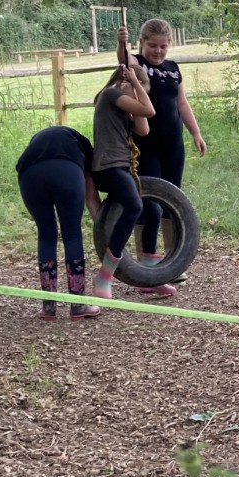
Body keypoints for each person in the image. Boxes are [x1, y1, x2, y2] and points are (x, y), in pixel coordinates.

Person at [120, 19, 207, 295]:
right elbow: (124, 60)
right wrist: (119, 42)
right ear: (141, 44)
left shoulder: (173, 69)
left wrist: (196, 133)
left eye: (163, 46)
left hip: (173, 145)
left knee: (174, 202)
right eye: (152, 46)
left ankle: (173, 263)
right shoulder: (137, 66)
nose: (158, 51)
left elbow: (181, 103)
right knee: (150, 204)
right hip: (146, 145)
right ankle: (145, 266)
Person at [15, 126, 103, 320]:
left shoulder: (37, 141)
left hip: (29, 174)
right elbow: (91, 199)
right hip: (67, 172)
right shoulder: (84, 147)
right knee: (72, 234)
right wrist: (106, 234)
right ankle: (78, 307)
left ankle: (48, 307)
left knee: (46, 234)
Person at [89, 62, 157, 302]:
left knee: (152, 209)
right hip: (109, 166)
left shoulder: (124, 104)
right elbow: (150, 112)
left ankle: (149, 278)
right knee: (134, 206)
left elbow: (144, 129)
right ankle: (104, 276)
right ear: (124, 83)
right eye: (140, 91)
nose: (142, 96)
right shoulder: (109, 95)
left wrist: (135, 91)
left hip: (122, 167)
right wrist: (136, 85)